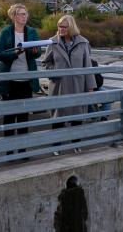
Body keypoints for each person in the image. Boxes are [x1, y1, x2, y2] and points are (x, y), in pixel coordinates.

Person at [43, 15, 96, 154]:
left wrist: (91, 87)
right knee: (58, 117)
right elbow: (46, 63)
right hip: (59, 85)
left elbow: (88, 66)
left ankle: (76, 144)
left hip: (78, 85)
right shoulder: (53, 42)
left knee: (77, 116)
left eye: (64, 27)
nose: (61, 29)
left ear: (71, 27)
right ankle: (57, 146)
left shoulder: (83, 43)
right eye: (59, 26)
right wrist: (53, 73)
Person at [0, 4, 41, 154]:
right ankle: (8, 150)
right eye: (21, 14)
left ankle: (22, 149)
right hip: (10, 80)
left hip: (26, 79)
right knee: (9, 115)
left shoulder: (32, 32)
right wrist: (15, 53)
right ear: (14, 16)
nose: (24, 16)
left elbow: (37, 53)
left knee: (23, 115)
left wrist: (34, 52)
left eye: (26, 14)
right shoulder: (5, 32)